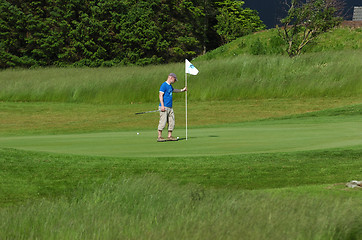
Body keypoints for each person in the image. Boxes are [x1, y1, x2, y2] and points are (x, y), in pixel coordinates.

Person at [157, 73, 187, 142]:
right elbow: (160, 95)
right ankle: (159, 136)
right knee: (163, 122)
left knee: (171, 121)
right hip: (164, 107)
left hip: (170, 107)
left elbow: (173, 90)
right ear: (170, 77)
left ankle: (169, 136)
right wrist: (162, 106)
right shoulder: (164, 85)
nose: (175, 81)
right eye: (174, 79)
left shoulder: (170, 86)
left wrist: (182, 90)